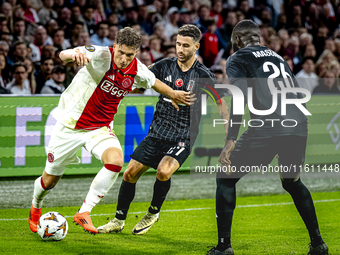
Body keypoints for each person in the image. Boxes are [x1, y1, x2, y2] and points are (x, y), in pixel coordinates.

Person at [28, 27, 193, 235]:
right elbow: (63, 54)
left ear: (136, 53)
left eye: (130, 55)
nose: (124, 59)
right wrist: (74, 54)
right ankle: (36, 205)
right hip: (69, 125)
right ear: (114, 47)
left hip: (100, 128)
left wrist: (174, 94)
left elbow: (155, 83)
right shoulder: (99, 54)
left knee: (115, 161)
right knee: (49, 181)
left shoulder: (137, 70)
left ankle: (84, 212)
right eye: (121, 52)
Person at [208, 20, 328, 255]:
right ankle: (318, 244)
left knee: (225, 176)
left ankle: (224, 247)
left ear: (239, 41)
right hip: (298, 124)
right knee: (291, 181)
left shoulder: (238, 57)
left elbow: (239, 96)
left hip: (269, 125)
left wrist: (231, 138)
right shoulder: (277, 57)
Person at [97, 24, 229, 236]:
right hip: (156, 133)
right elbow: (139, 82)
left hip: (183, 137)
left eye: (186, 45)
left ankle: (152, 212)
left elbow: (222, 105)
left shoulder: (204, 75)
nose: (180, 49)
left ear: (196, 47)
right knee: (129, 174)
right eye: (178, 44)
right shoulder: (163, 65)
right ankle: (118, 220)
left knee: (163, 171)